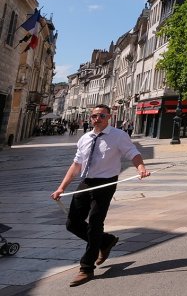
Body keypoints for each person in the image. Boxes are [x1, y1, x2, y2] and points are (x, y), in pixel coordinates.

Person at [51, 104, 150, 287]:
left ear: (109, 117)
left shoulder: (119, 136)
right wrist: (61, 188)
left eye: (102, 116)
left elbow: (133, 153)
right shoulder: (85, 138)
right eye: (94, 116)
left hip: (106, 183)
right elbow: (76, 165)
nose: (97, 119)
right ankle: (106, 241)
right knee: (72, 223)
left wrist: (141, 167)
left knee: (95, 223)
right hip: (86, 182)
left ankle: (86, 268)